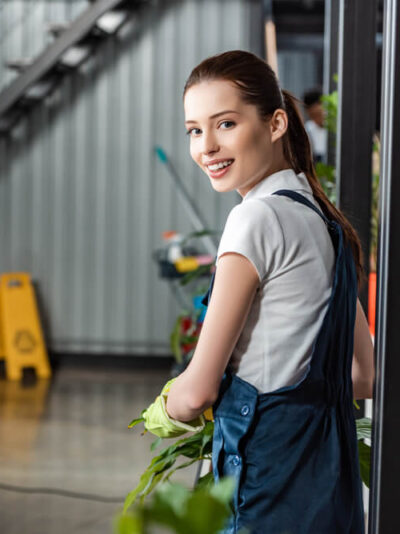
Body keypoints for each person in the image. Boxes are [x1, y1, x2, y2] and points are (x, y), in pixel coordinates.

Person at [141, 50, 374, 534]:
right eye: (194, 130)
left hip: (266, 484)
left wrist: (164, 409)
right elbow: (362, 376)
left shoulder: (255, 218)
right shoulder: (324, 220)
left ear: (275, 124)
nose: (206, 146)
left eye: (224, 123)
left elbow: (199, 389)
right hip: (331, 483)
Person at [303, 88, 327, 162]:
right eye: (313, 116)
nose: (317, 119)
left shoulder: (334, 129)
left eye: (319, 114)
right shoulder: (307, 130)